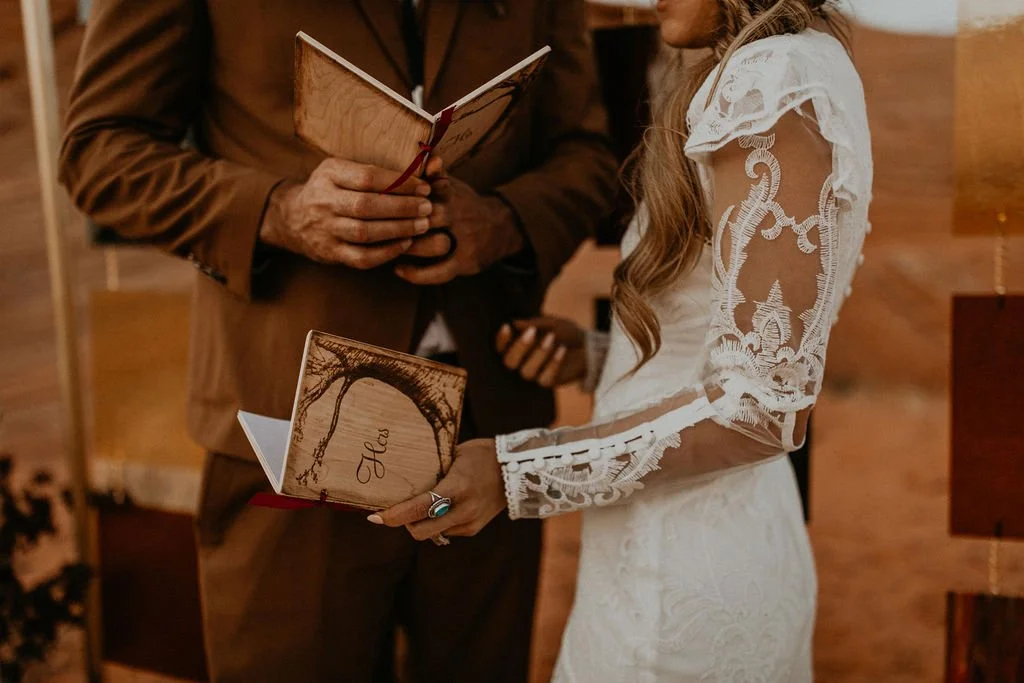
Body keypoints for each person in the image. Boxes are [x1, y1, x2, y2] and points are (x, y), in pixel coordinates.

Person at [58, 1, 616, 681]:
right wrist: (279, 212)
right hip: (289, 434)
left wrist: (502, 223)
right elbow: (97, 151)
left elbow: (587, 154)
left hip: (488, 436)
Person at [376, 0, 873, 680]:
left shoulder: (772, 82)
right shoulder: (812, 65)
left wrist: (517, 471)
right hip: (691, 543)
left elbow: (761, 405)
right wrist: (597, 356)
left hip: (683, 581)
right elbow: (731, 348)